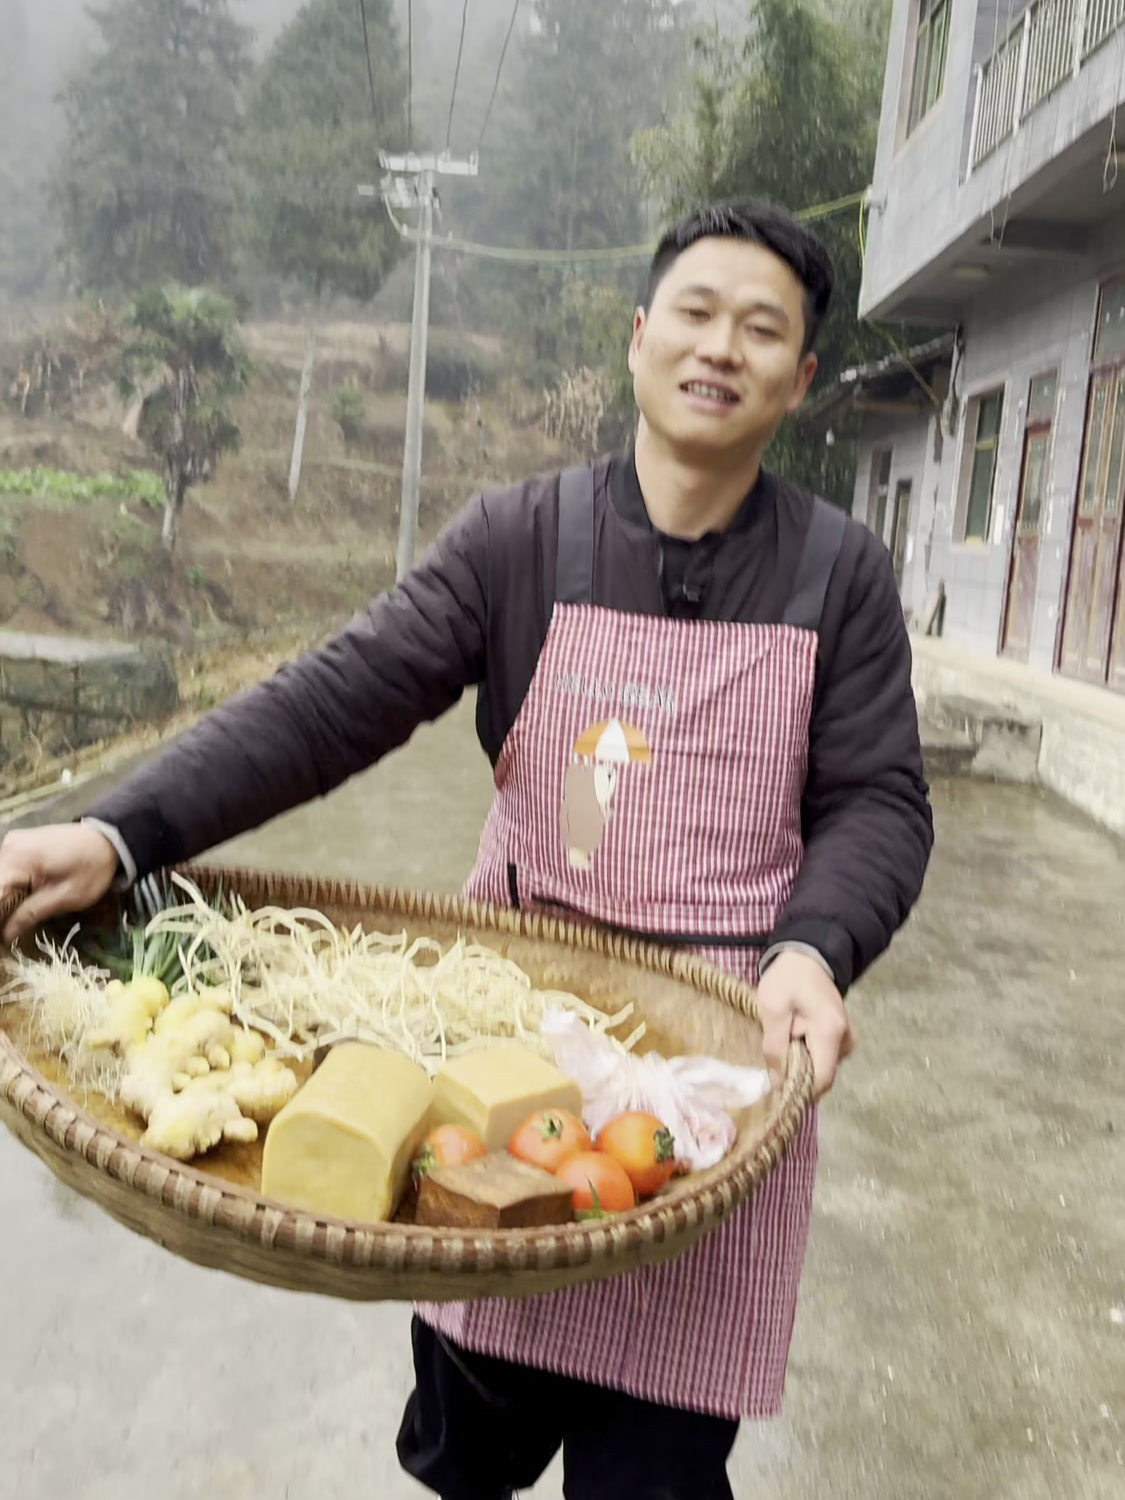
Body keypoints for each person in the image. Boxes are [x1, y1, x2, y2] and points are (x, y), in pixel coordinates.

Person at [0, 200, 934, 1500]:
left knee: (654, 1479)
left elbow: (878, 800)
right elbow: (337, 697)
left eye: (761, 328)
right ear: (636, 337)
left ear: (802, 378)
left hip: (707, 1082)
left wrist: (813, 951)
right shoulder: (520, 539)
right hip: (495, 1055)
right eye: (696, 312)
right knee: (465, 1454)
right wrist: (123, 830)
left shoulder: (839, 575)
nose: (720, 347)